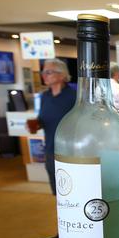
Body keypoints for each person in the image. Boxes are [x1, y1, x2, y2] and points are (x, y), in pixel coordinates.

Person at [28, 58, 76, 195]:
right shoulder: (45, 96)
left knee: (72, 191)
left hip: (70, 151)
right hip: (50, 150)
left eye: (49, 72)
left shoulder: (74, 96)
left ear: (62, 75)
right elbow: (43, 119)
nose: (44, 75)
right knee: (56, 191)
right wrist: (35, 124)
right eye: (43, 72)